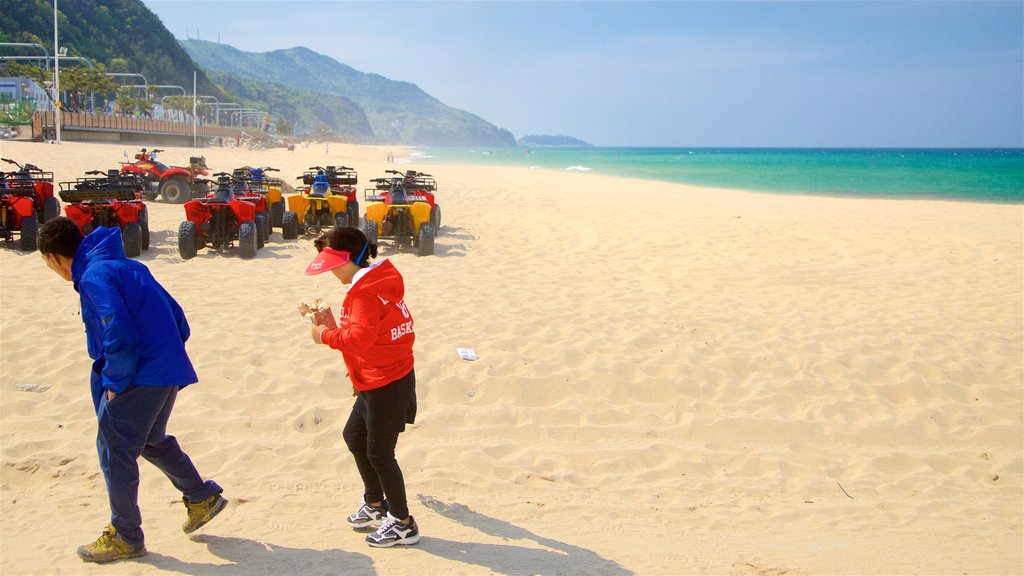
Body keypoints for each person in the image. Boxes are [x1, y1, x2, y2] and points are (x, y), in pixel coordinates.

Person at [37, 218, 228, 564]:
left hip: (140, 374)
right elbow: (179, 319)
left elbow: (119, 335)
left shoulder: (94, 276)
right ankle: (201, 496)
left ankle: (125, 534)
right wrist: (165, 360)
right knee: (151, 440)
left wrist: (116, 383)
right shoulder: (127, 265)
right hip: (167, 369)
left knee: (114, 448)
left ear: (54, 257)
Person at [304, 227, 420, 547]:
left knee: (381, 453)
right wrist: (332, 325)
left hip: (387, 383)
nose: (330, 271)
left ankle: (402, 522)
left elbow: (358, 340)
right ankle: (376, 503)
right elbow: (369, 334)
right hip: (374, 378)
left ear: (350, 259)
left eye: (332, 264)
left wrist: (323, 336)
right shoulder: (373, 281)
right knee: (353, 437)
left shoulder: (364, 292)